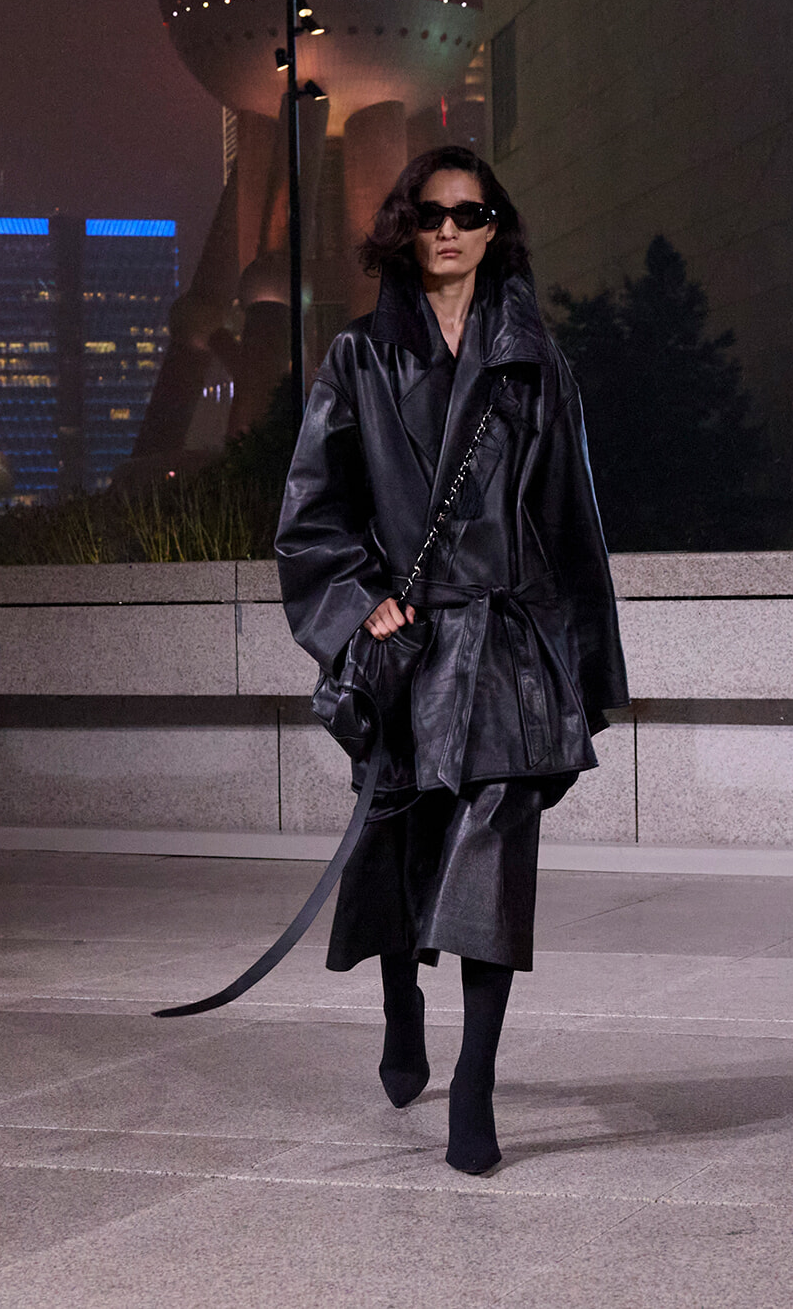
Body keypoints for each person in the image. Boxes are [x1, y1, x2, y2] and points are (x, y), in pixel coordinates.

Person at [275, 145, 628, 1173]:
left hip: (510, 645)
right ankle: (400, 998)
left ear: (493, 229)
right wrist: (358, 606)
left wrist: (587, 668)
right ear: (405, 226)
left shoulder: (535, 360)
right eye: (430, 212)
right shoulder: (359, 357)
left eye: (468, 213)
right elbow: (310, 513)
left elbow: (572, 518)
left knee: (493, 865)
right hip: (411, 646)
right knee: (403, 844)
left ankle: (474, 1078)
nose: (448, 228)